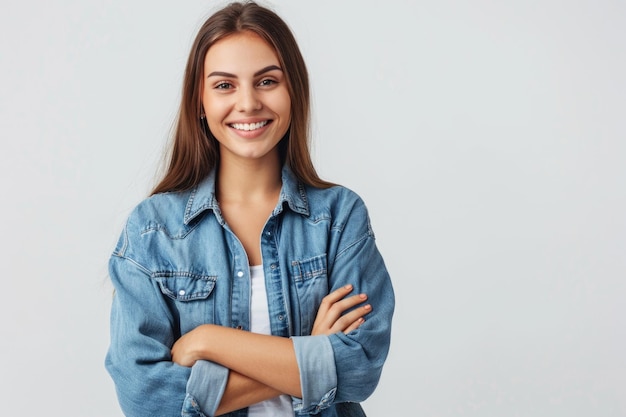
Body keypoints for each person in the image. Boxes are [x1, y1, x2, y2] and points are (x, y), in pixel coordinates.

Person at [104, 1, 395, 416]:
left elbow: (359, 369)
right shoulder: (153, 231)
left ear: (294, 90)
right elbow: (145, 399)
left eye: (267, 81)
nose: (248, 103)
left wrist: (208, 340)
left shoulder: (339, 218)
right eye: (224, 85)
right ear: (200, 102)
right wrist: (310, 354)